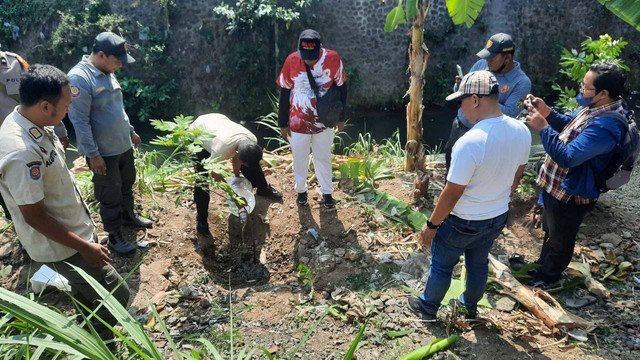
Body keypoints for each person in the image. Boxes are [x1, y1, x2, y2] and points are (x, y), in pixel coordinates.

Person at [0, 64, 130, 333]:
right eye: (67, 105)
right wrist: (84, 247)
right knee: (117, 295)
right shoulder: (21, 153)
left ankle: (90, 329)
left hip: (73, 228)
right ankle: (100, 342)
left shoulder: (31, 120)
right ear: (46, 106)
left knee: (86, 294)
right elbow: (34, 216)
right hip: (62, 245)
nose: (69, 109)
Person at [407, 71, 531, 320]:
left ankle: (428, 308)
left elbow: (452, 193)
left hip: (462, 221)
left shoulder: (471, 141)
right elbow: (516, 179)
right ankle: (469, 308)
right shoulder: (522, 131)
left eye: (462, 101)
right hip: (496, 217)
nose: (461, 108)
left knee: (442, 265)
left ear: (475, 100)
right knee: (478, 262)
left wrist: (432, 225)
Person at [524, 62, 627, 289]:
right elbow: (569, 125)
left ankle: (550, 278)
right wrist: (547, 113)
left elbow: (567, 157)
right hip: (556, 186)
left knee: (561, 238)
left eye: (586, 87)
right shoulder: (594, 109)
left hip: (572, 194)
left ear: (603, 94)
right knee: (551, 230)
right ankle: (543, 265)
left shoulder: (606, 126)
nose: (581, 89)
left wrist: (542, 128)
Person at [68, 32, 152, 256]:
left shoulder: (107, 72)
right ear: (102, 55)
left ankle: (128, 217)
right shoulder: (79, 78)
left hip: (123, 145)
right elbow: (80, 121)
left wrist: (131, 131)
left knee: (126, 184)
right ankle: (114, 235)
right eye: (117, 61)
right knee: (110, 193)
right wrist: (93, 155)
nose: (120, 66)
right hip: (103, 153)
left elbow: (118, 109)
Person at [277, 29, 347, 209]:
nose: (308, 59)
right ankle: (301, 190)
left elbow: (342, 87)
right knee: (299, 157)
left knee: (323, 157)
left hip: (325, 121)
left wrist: (341, 118)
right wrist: (282, 123)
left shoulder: (333, 58)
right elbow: (284, 92)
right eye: (305, 55)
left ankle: (327, 192)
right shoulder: (291, 60)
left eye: (312, 56)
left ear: (321, 48)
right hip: (297, 122)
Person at [444, 33, 531, 172]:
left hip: (486, 139)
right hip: (460, 126)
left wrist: (484, 97)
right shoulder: (481, 64)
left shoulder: (522, 83)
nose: (487, 61)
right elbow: (463, 95)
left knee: (474, 176)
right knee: (451, 168)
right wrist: (459, 86)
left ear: (507, 58)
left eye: (492, 58)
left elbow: (511, 113)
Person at [0, 48, 68, 220]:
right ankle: (26, 239)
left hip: (32, 139)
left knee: (44, 195)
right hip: (7, 150)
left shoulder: (15, 63)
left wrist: (59, 130)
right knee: (12, 200)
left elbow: (45, 96)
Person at [189, 113, 282, 237]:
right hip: (198, 134)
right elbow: (215, 175)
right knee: (202, 180)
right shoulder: (220, 150)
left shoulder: (251, 139)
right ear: (237, 153)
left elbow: (237, 158)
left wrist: (237, 177)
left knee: (251, 165)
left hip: (218, 121)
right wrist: (233, 195)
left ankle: (263, 188)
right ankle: (201, 219)